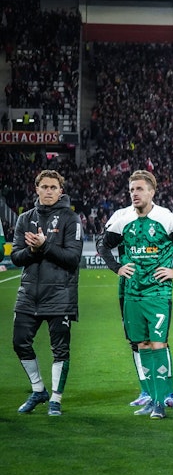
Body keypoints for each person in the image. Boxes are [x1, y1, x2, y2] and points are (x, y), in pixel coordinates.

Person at [97, 170, 173, 419]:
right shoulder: (123, 220)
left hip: (157, 293)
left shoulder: (165, 218)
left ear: (152, 192)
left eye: (140, 189)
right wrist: (116, 267)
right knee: (142, 345)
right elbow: (103, 244)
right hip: (133, 293)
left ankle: (160, 400)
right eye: (132, 189)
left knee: (157, 344)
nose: (135, 193)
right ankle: (152, 396)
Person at [12, 170, 82, 416]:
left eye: (54, 187)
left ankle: (56, 399)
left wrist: (44, 246)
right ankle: (38, 389)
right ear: (37, 189)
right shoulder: (25, 219)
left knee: (60, 350)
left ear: (60, 191)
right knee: (19, 343)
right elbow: (15, 256)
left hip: (59, 297)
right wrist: (32, 251)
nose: (49, 191)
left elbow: (73, 258)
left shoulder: (71, 219)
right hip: (28, 295)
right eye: (45, 187)